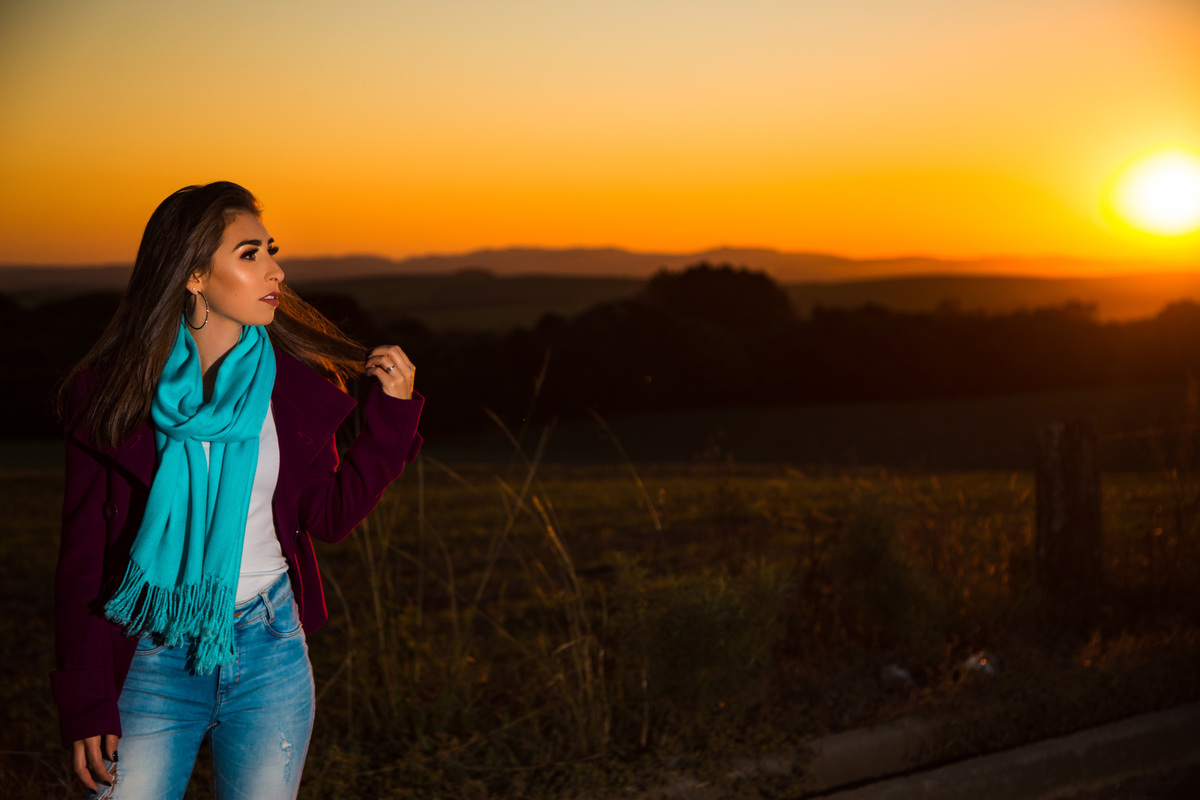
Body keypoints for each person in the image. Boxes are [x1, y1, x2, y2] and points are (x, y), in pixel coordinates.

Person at [51, 181, 424, 799]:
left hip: (269, 653)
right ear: (194, 275)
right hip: (148, 658)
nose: (276, 269)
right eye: (249, 254)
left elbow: (327, 517)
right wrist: (85, 696)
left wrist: (392, 415)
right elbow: (83, 558)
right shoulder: (113, 397)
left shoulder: (293, 388)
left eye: (270, 250)